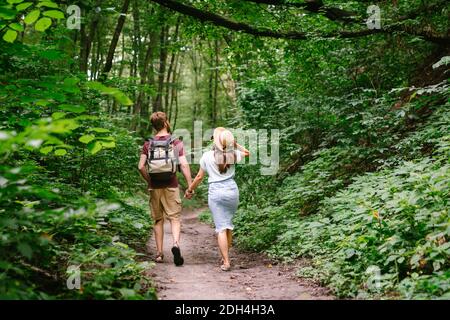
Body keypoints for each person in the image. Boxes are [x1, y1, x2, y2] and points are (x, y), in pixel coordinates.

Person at [185, 127, 249, 271]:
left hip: (216, 193)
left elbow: (199, 177)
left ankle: (226, 261)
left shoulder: (207, 156)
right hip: (232, 191)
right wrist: (234, 144)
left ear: (215, 141)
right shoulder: (232, 154)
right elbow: (247, 152)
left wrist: (190, 189)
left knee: (221, 227)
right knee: (228, 225)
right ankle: (225, 255)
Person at [138, 112, 192, 266]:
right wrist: (189, 185)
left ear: (153, 125)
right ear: (166, 122)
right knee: (174, 218)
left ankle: (160, 253)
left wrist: (149, 180)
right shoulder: (175, 142)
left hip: (155, 187)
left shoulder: (148, 144)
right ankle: (175, 244)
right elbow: (184, 164)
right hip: (171, 184)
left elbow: (140, 166)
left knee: (158, 220)